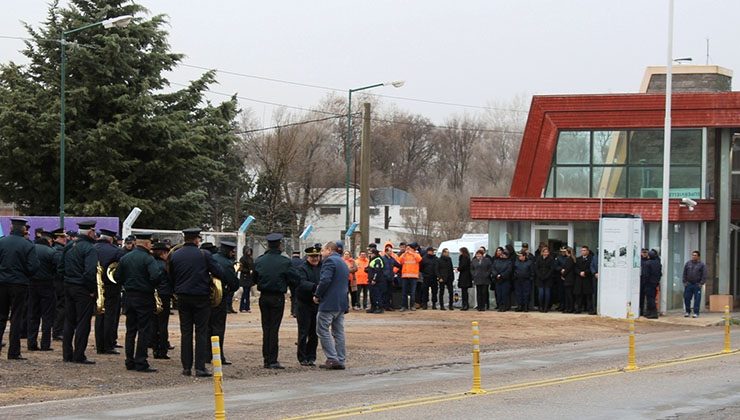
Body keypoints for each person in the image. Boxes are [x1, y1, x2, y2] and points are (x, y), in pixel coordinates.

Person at [169, 228, 224, 377]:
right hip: (201, 297)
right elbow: (218, 272)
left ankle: (186, 367)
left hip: (182, 297)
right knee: (201, 332)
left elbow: (171, 276)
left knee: (185, 332)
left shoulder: (175, 255)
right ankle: (200, 367)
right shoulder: (204, 254)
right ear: (196, 239)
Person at [115, 232, 162, 372]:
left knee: (130, 330)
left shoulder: (125, 257)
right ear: (147, 244)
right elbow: (155, 276)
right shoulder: (148, 259)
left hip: (129, 296)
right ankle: (141, 361)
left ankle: (129, 361)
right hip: (144, 297)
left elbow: (117, 277)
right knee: (144, 330)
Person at [253, 232, 298, 369]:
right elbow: (294, 279)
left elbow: (254, 279)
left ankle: (266, 358)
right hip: (277, 297)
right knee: (274, 328)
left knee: (266, 328)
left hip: (264, 296)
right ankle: (272, 359)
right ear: (279, 245)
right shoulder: (285, 261)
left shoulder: (260, 260)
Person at [0, 218, 39, 359]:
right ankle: (14, 352)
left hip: (2, 282)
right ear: (24, 230)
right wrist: (25, 275)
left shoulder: (2, 242)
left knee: (1, 316)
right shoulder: (27, 245)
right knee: (16, 318)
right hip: (19, 284)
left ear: (11, 228)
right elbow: (33, 267)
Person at [60, 220, 98, 364]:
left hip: (69, 286)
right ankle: (79, 355)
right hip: (82, 288)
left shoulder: (69, 246)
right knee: (83, 322)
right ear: (90, 232)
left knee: (69, 321)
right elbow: (90, 272)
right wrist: (91, 290)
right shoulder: (89, 248)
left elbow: (61, 268)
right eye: (94, 231)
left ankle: (67, 354)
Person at [314, 241, 350, 370]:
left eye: (323, 250)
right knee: (338, 332)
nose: (321, 253)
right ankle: (340, 358)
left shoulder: (329, 262)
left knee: (322, 329)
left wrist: (317, 295)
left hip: (329, 302)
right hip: (341, 303)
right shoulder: (343, 262)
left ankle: (332, 358)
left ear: (329, 250)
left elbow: (325, 280)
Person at [94, 228, 125, 355]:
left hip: (96, 285)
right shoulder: (116, 251)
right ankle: (108, 345)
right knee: (110, 316)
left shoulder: (93, 248)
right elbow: (121, 270)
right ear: (111, 239)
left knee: (99, 314)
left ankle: (99, 344)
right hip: (111, 287)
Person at [209, 241, 239, 365]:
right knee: (218, 327)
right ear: (228, 251)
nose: (233, 253)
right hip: (219, 298)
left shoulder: (211, 258)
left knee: (207, 327)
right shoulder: (227, 264)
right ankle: (218, 355)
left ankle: (206, 354)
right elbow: (234, 284)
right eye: (232, 251)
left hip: (207, 297)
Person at [27, 230, 56, 351]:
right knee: (47, 316)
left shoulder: (31, 248)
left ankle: (31, 342)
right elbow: (56, 268)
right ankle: (45, 344)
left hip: (32, 284)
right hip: (47, 285)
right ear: (49, 241)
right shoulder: (51, 251)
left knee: (33, 314)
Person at [295, 246, 321, 366]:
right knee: (303, 331)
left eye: (317, 256)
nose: (315, 258)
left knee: (314, 332)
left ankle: (311, 356)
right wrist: (316, 287)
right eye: (312, 256)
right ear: (307, 257)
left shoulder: (322, 268)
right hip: (304, 303)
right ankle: (302, 357)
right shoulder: (301, 268)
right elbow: (301, 283)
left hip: (317, 304)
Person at [151, 242, 173, 359]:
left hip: (153, 294)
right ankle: (163, 349)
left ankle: (155, 348)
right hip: (164, 294)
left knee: (154, 323)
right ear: (162, 253)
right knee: (163, 323)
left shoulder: (151, 263)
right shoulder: (165, 265)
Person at [51, 228, 67, 341]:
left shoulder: (58, 249)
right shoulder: (59, 251)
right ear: (56, 238)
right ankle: (58, 331)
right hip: (59, 283)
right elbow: (60, 268)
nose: (64, 239)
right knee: (61, 307)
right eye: (62, 237)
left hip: (56, 282)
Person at [682, 250, 707, 318]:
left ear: (698, 256)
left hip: (697, 284)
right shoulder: (688, 263)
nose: (693, 256)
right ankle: (687, 311)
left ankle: (696, 313)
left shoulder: (702, 265)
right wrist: (684, 282)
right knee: (686, 298)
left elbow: (704, 275)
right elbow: (684, 273)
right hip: (688, 284)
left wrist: (701, 283)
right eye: (693, 255)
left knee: (697, 299)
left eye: (695, 255)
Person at [398, 242, 422, 312]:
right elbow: (400, 261)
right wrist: (405, 253)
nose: (408, 249)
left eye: (409, 248)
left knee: (412, 292)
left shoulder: (416, 254)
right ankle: (403, 306)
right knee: (404, 292)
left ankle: (412, 306)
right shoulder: (404, 255)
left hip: (413, 277)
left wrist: (412, 252)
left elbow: (419, 259)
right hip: (405, 276)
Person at [534, 247, 555, 312]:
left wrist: (546, 276)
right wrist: (540, 276)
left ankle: (546, 307)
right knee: (541, 293)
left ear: (548, 253)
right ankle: (540, 306)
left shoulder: (551, 259)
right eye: (544, 252)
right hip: (540, 279)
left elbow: (551, 269)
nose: (545, 253)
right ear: (542, 252)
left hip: (548, 279)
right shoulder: (538, 259)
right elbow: (536, 268)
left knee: (547, 294)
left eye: (547, 252)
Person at [574, 246, 594, 314]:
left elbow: (591, 267)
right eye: (582, 250)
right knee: (579, 296)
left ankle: (590, 309)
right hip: (579, 280)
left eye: (585, 250)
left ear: (588, 251)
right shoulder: (578, 259)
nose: (583, 252)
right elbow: (575, 268)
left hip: (587, 279)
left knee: (588, 296)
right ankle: (578, 309)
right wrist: (579, 272)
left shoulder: (591, 259)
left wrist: (585, 272)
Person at [366, 248, 386, 314]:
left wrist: (374, 279)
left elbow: (377, 271)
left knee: (377, 295)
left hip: (377, 282)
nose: (369, 255)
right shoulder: (373, 260)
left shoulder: (377, 260)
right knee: (372, 295)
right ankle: (373, 307)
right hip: (371, 280)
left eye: (370, 253)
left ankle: (380, 308)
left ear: (374, 254)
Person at [643, 249, 662, 319]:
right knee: (652, 297)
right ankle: (649, 312)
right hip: (655, 283)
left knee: (650, 299)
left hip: (649, 283)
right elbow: (660, 274)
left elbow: (646, 274)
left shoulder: (647, 263)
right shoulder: (658, 263)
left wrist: (645, 282)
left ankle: (653, 313)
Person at [238, 247, 254, 313]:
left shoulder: (251, 259)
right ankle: (242, 307)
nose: (249, 252)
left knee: (248, 293)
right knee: (244, 292)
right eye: (247, 251)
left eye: (250, 251)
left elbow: (252, 266)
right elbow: (240, 268)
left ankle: (247, 307)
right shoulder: (242, 259)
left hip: (249, 277)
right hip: (244, 276)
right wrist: (248, 271)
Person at [560, 247, 576, 313]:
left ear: (568, 252)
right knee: (568, 294)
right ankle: (568, 308)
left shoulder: (570, 259)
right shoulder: (571, 259)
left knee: (569, 294)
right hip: (569, 278)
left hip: (569, 279)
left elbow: (567, 269)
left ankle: (570, 308)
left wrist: (563, 275)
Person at [639, 249, 650, 315]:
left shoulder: (649, 261)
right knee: (641, 297)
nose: (644, 254)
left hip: (647, 281)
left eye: (646, 252)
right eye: (643, 252)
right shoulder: (639, 260)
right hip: (640, 281)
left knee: (648, 297)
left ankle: (646, 311)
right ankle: (641, 311)